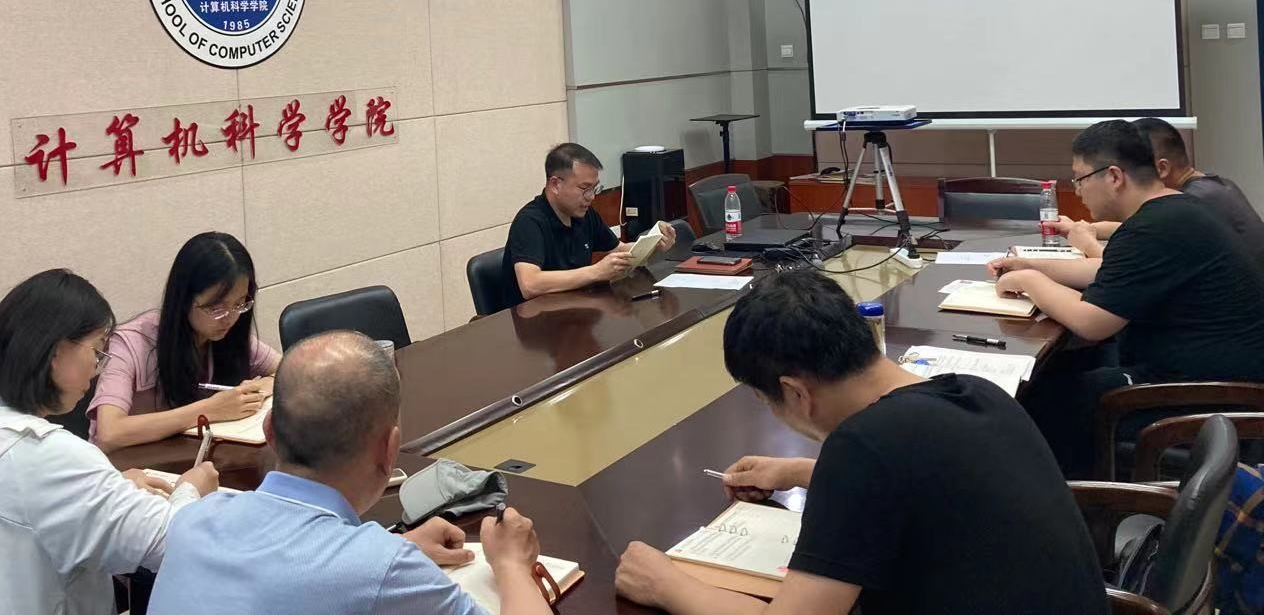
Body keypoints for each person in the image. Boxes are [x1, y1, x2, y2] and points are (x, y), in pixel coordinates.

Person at [613, 272, 1106, 615]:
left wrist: (665, 584)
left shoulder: (863, 448)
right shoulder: (974, 392)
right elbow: (922, 480)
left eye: (768, 401)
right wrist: (800, 472)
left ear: (796, 392)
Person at [0, 269, 219, 615]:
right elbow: (173, 544)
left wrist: (107, 489)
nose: (97, 369)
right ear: (56, 352)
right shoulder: (48, 456)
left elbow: (25, 501)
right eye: (97, 352)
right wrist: (190, 490)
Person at [149, 331, 551, 615]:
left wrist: (400, 544)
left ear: (270, 431)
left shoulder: (194, 519)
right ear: (389, 450)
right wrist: (512, 565)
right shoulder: (380, 568)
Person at [991, 120, 1264, 476]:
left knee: (1042, 400)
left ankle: (1080, 501)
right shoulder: (1174, 210)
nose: (1078, 191)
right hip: (1204, 369)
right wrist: (1029, 264)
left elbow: (1092, 322)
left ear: (1114, 176)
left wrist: (1029, 280)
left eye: (1080, 179)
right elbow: (1108, 273)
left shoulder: (1153, 227)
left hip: (1201, 391)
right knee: (1059, 370)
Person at [90, 231, 280, 451]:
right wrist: (209, 410)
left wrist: (259, 388)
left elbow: (286, 371)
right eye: (216, 308)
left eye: (239, 304)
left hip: (192, 458)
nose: (230, 318)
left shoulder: (228, 334)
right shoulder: (131, 343)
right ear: (183, 299)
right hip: (128, 465)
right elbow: (109, 433)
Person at [1056, 117, 1264, 264]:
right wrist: (1084, 228)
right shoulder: (1210, 187)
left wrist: (1088, 245)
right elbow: (1135, 229)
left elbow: (1133, 268)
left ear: (1161, 168)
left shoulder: (1191, 203)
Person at [502, 142, 675, 305]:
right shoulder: (529, 222)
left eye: (595, 188)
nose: (591, 197)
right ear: (555, 185)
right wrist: (597, 271)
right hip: (536, 319)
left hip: (577, 309)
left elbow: (620, 250)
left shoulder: (584, 214)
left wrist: (654, 242)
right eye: (585, 188)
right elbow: (530, 284)